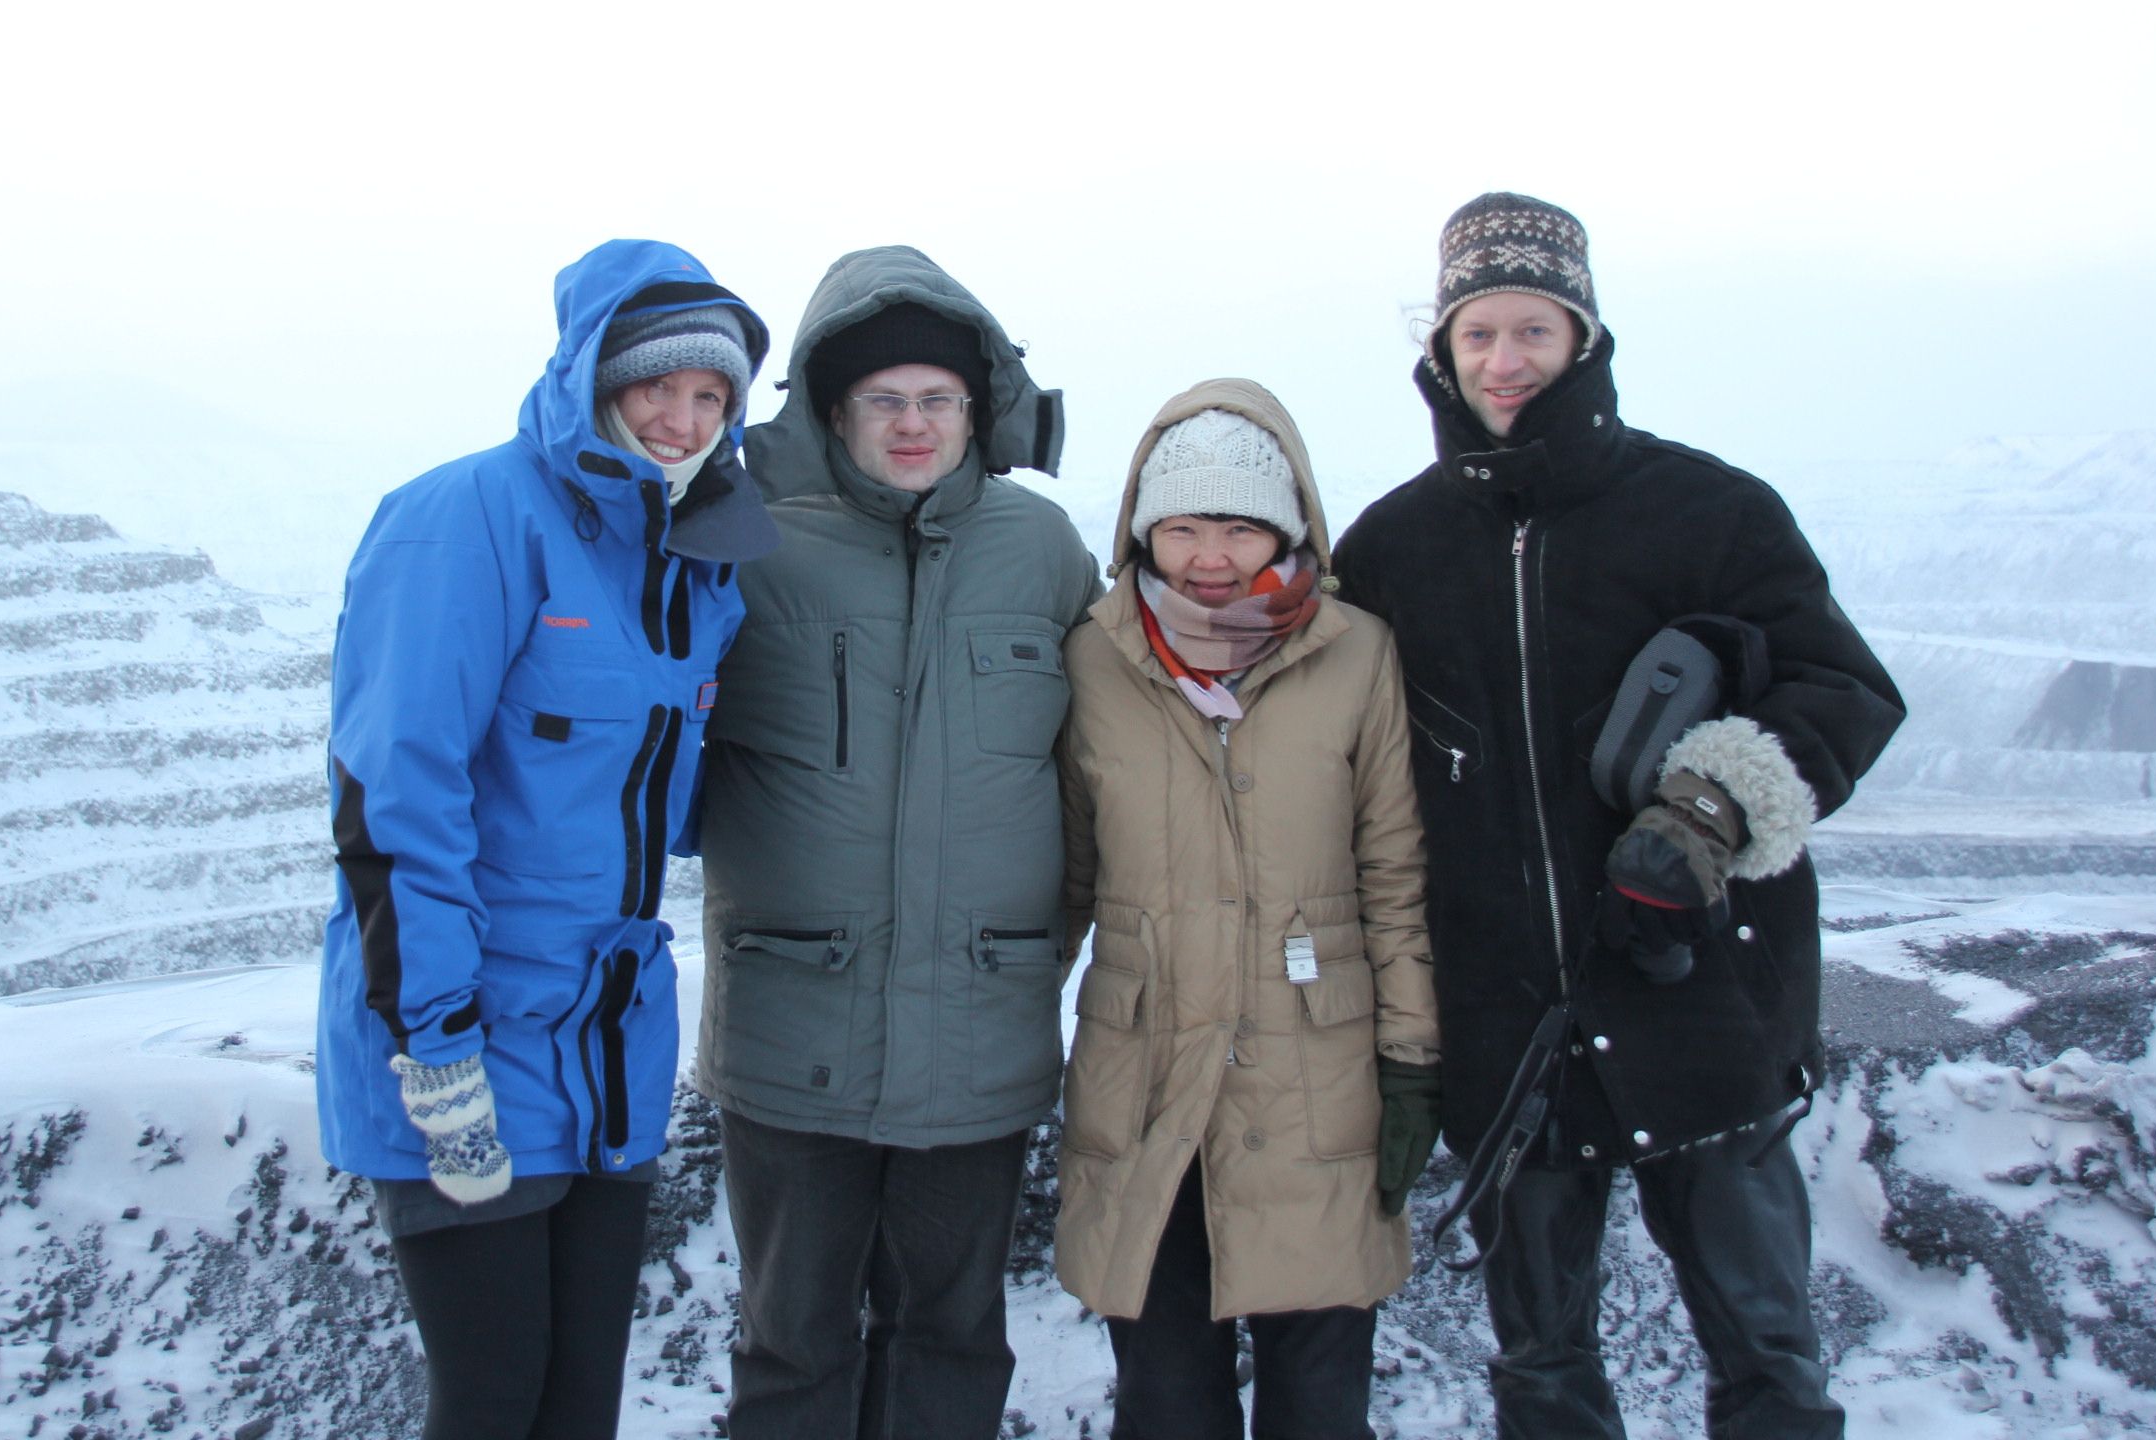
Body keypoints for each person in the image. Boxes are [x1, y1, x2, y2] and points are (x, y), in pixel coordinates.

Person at [1333, 193, 1906, 1440]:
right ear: (1441, 349)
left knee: (1766, 1355)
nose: (1503, 361)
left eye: (1532, 330)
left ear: (1583, 339)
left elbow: (1845, 689)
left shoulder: (1711, 510)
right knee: (1541, 1367)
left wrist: (1709, 810)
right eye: (1477, 334)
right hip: (1507, 1027)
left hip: (1704, 999)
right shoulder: (1390, 550)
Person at [313, 238, 777, 1440]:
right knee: (491, 1402)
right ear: (594, 381)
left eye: (710, 396)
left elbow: (661, 808)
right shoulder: (467, 518)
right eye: (657, 386)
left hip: (607, 1048)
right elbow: (396, 795)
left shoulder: (692, 562)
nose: (681, 419)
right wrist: (435, 1044)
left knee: (578, 1409)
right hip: (465, 1034)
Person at [695, 244, 1103, 1440]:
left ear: (979, 412)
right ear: (834, 408)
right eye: (885, 401)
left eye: (938, 400)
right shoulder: (747, 540)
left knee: (954, 1336)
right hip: (790, 1033)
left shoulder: (1042, 548)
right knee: (790, 1344)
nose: (914, 423)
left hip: (979, 1033)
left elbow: (1109, 752)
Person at [1054, 384, 1443, 1440]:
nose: (1210, 555)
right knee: (1166, 1402)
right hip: (1147, 1076)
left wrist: (1411, 1056)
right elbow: (1066, 879)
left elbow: (1393, 870)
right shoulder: (1097, 657)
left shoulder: (1354, 651)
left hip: (1318, 1079)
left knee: (1318, 1406)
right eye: (1182, 526)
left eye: (1237, 525)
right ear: (1144, 529)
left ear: (1285, 525)